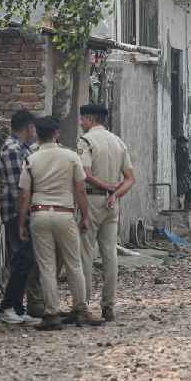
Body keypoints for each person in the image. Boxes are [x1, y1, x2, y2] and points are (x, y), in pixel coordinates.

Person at [17, 117, 99, 330]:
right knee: (74, 264)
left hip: (40, 214)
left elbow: (25, 195)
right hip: (65, 214)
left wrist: (21, 223)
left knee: (46, 267)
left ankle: (51, 313)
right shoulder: (71, 157)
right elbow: (80, 189)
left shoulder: (31, 159)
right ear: (57, 133)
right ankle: (81, 310)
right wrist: (86, 216)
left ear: (37, 133)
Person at [78, 104, 135, 322]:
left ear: (91, 119)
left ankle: (83, 304)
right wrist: (115, 194)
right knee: (109, 254)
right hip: (112, 204)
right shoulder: (118, 142)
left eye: (83, 119)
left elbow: (85, 174)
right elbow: (130, 178)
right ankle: (108, 305)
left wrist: (107, 188)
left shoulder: (86, 141)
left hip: (91, 200)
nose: (81, 123)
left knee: (85, 253)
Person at [0, 110, 43, 324]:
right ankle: (7, 306)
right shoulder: (13, 149)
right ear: (28, 127)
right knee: (21, 260)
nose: (34, 132)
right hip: (16, 212)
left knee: (25, 259)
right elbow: (19, 189)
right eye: (33, 127)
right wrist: (24, 217)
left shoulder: (21, 148)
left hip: (21, 212)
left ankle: (17, 306)